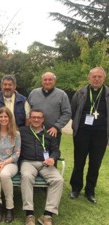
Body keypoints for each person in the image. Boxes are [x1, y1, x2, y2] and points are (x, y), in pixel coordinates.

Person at [69, 67, 109, 204]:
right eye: (94, 76)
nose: (97, 79)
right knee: (79, 162)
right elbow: (73, 111)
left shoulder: (107, 93)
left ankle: (90, 191)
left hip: (101, 135)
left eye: (99, 77)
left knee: (95, 164)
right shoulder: (80, 93)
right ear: (89, 78)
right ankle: (75, 188)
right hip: (82, 133)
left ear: (104, 78)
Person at [19, 109, 63, 225]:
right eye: (33, 117)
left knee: (58, 180)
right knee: (27, 177)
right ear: (29, 119)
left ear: (43, 119)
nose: (36, 119)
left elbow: (56, 150)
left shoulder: (49, 133)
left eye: (39, 117)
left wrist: (53, 158)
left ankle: (47, 215)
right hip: (28, 162)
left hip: (45, 163)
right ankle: (29, 214)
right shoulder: (22, 131)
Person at [28, 72, 71, 147]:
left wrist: (56, 127)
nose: (47, 82)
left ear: (54, 81)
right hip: (35, 131)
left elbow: (67, 113)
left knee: (52, 155)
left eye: (50, 80)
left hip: (53, 132)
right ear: (42, 81)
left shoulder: (62, 95)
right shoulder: (33, 93)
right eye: (45, 80)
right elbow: (28, 110)